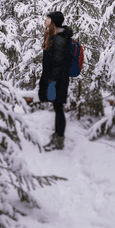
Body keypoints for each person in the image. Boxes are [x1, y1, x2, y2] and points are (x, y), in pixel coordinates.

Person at [38, 11, 73, 151]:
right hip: (57, 79)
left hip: (56, 80)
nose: (46, 20)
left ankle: (59, 140)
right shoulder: (55, 35)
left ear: (54, 22)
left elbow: (58, 62)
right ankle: (58, 135)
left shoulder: (59, 39)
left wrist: (50, 82)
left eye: (48, 18)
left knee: (58, 108)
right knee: (57, 107)